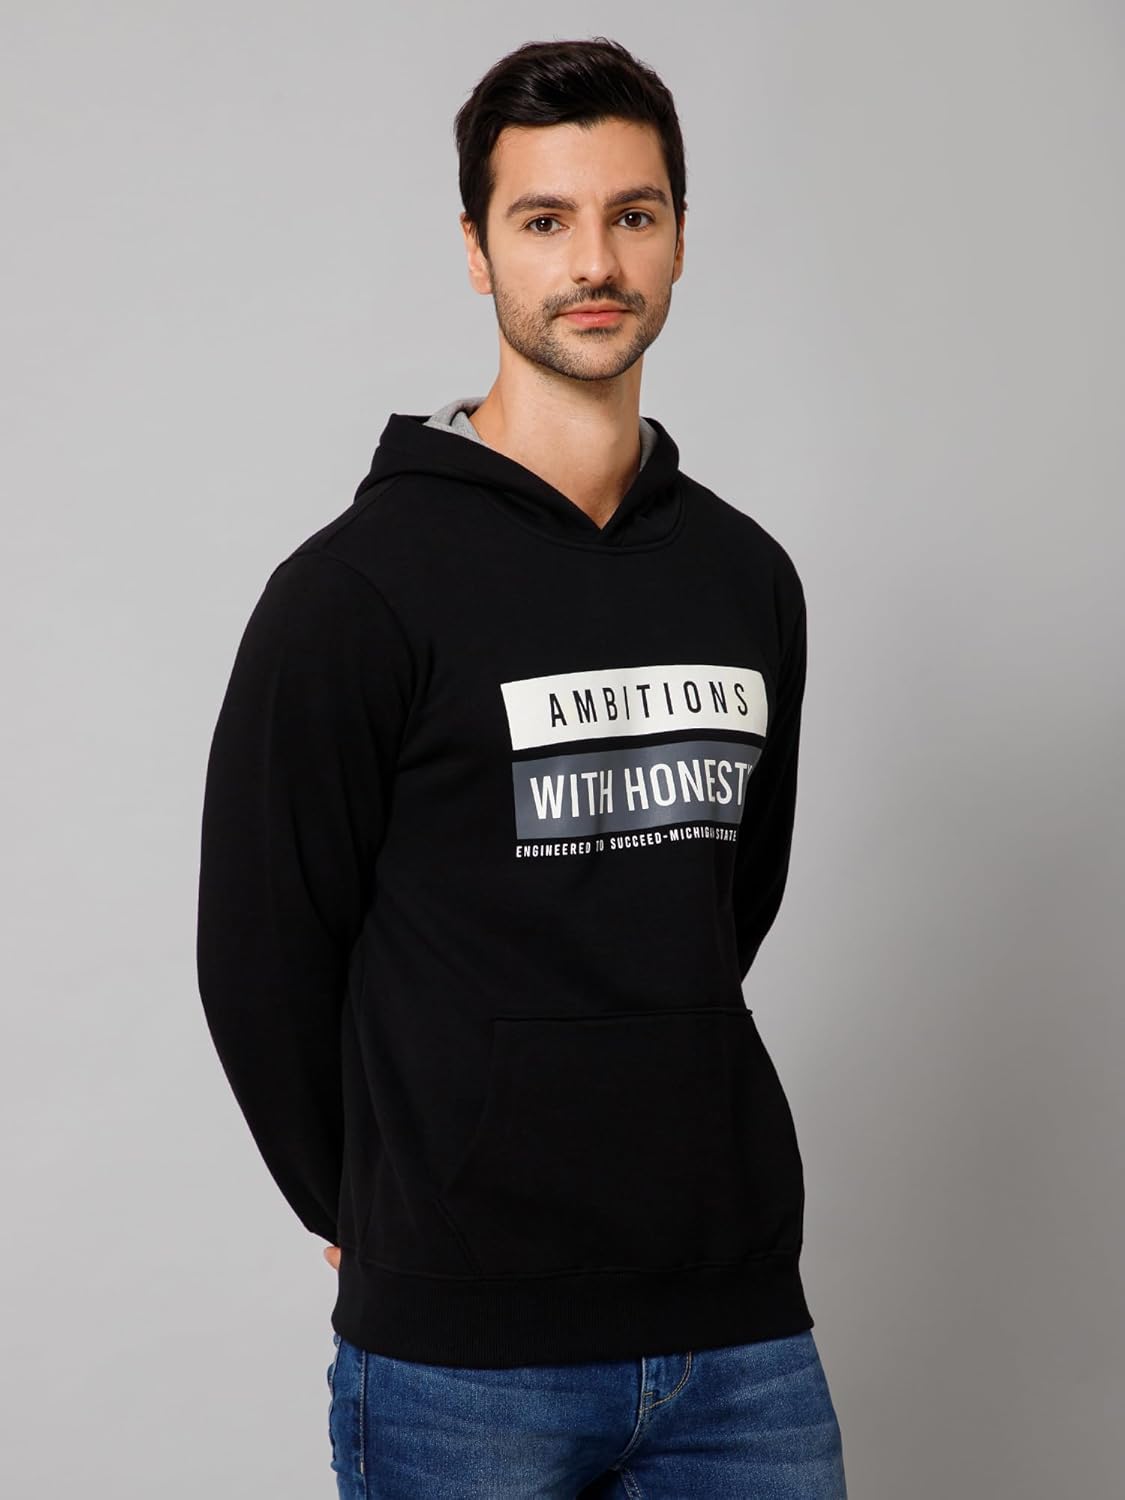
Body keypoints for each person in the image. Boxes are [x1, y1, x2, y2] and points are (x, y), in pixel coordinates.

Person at [195, 34, 848, 1500]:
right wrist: (374, 1208)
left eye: (632, 214)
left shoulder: (746, 579)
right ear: (479, 252)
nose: (593, 261)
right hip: (461, 1355)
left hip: (739, 1333)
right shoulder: (356, 591)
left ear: (679, 238)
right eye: (544, 219)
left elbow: (724, 899)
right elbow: (259, 949)